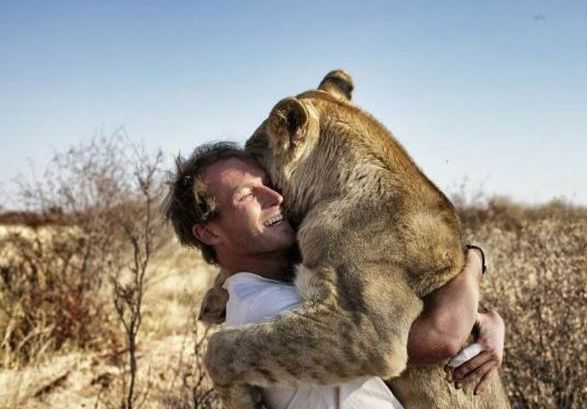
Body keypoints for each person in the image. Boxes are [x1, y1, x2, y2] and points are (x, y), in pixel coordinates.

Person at [163, 142, 505, 409]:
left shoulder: (285, 285)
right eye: (246, 195)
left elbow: (412, 316)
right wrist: (473, 261)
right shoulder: (268, 310)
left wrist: (479, 319)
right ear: (208, 233)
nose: (276, 197)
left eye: (267, 183)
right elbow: (439, 336)